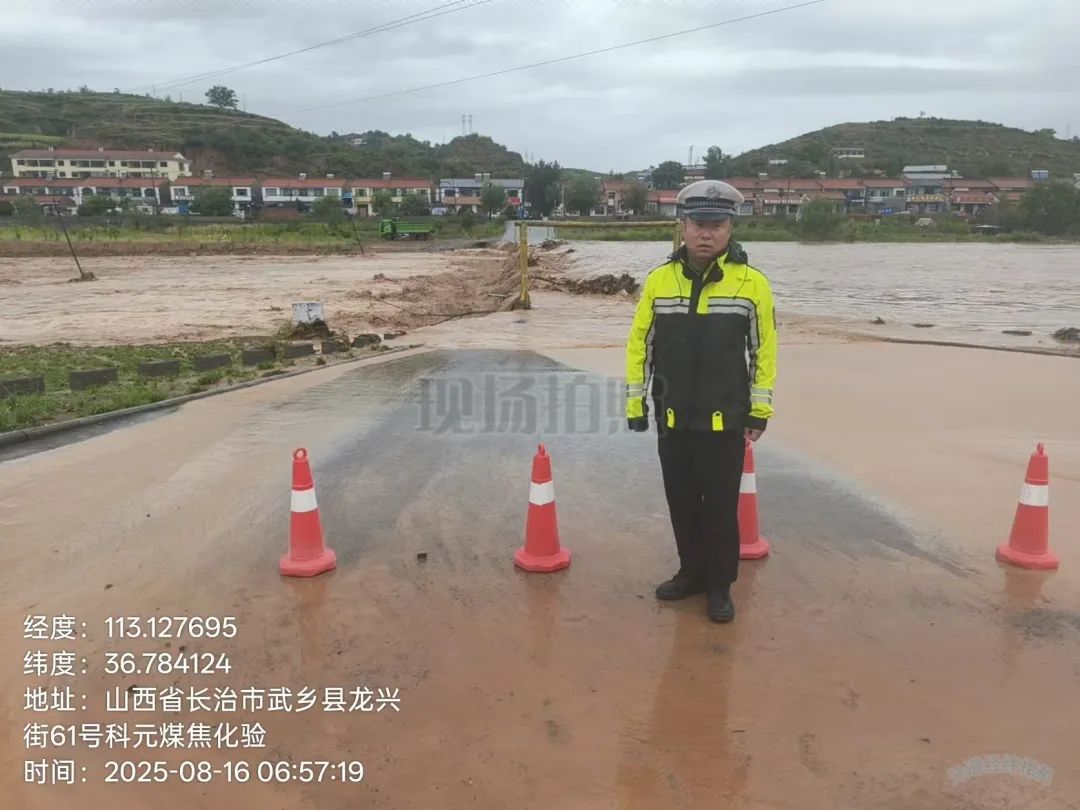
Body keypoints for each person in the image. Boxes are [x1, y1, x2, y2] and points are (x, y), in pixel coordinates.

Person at [624, 180, 777, 623]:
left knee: (720, 508)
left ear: (731, 228)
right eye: (698, 223)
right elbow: (641, 345)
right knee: (682, 502)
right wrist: (636, 405)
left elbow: (764, 350)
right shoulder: (659, 281)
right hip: (672, 419)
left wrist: (758, 410)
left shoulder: (752, 285)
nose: (706, 233)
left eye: (717, 224)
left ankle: (719, 586)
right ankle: (690, 572)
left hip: (724, 420)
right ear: (683, 226)